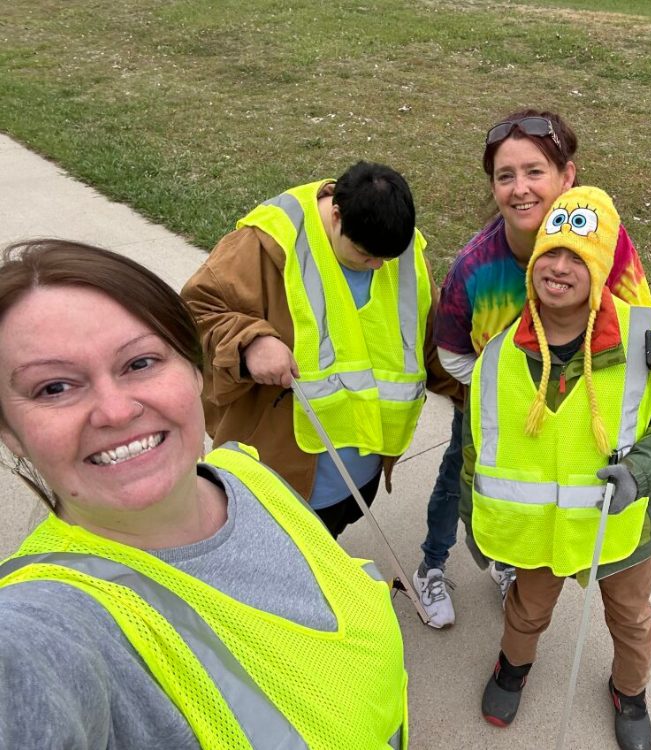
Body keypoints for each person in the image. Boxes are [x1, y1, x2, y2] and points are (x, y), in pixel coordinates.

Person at [0, 239, 408, 748]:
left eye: (140, 363)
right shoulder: (46, 627)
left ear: (195, 371)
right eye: (53, 388)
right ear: (10, 432)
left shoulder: (249, 474)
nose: (116, 411)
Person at [413, 109, 651, 628]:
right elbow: (448, 349)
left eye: (534, 171)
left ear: (567, 177)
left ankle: (514, 562)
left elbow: (642, 323)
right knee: (459, 475)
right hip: (492, 405)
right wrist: (495, 390)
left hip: (578, 398)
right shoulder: (475, 267)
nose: (520, 188)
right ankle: (432, 561)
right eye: (505, 175)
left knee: (550, 489)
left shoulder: (608, 245)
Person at [461, 187, 651, 750]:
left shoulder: (645, 341)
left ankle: (630, 690)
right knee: (526, 611)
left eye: (579, 258)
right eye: (551, 253)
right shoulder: (499, 354)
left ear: (600, 271)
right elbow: (480, 446)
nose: (561, 268)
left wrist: (643, 471)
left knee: (632, 619)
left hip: (620, 530)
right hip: (538, 531)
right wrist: (477, 523)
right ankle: (513, 668)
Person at [182, 161, 458, 540]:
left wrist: (478, 389)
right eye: (364, 256)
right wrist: (249, 343)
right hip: (281, 481)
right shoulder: (266, 242)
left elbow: (430, 341)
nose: (377, 267)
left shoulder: (399, 248)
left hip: (356, 481)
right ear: (337, 215)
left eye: (385, 260)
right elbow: (194, 314)